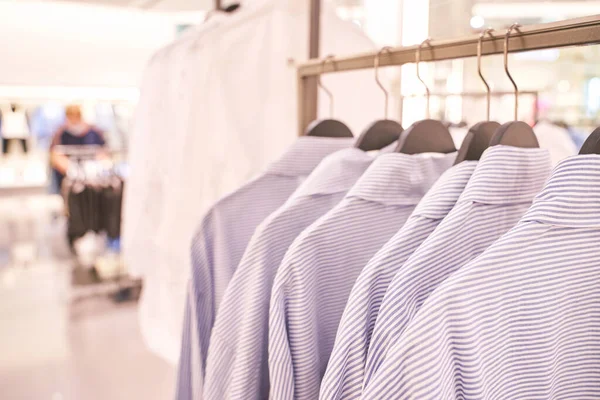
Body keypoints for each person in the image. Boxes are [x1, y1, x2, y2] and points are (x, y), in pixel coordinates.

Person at [50, 105, 106, 190]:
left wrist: (94, 167)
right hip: (67, 180)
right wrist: (71, 169)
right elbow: (55, 156)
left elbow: (103, 152)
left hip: (92, 180)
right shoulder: (61, 134)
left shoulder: (94, 133)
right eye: (71, 116)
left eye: (76, 116)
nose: (74, 120)